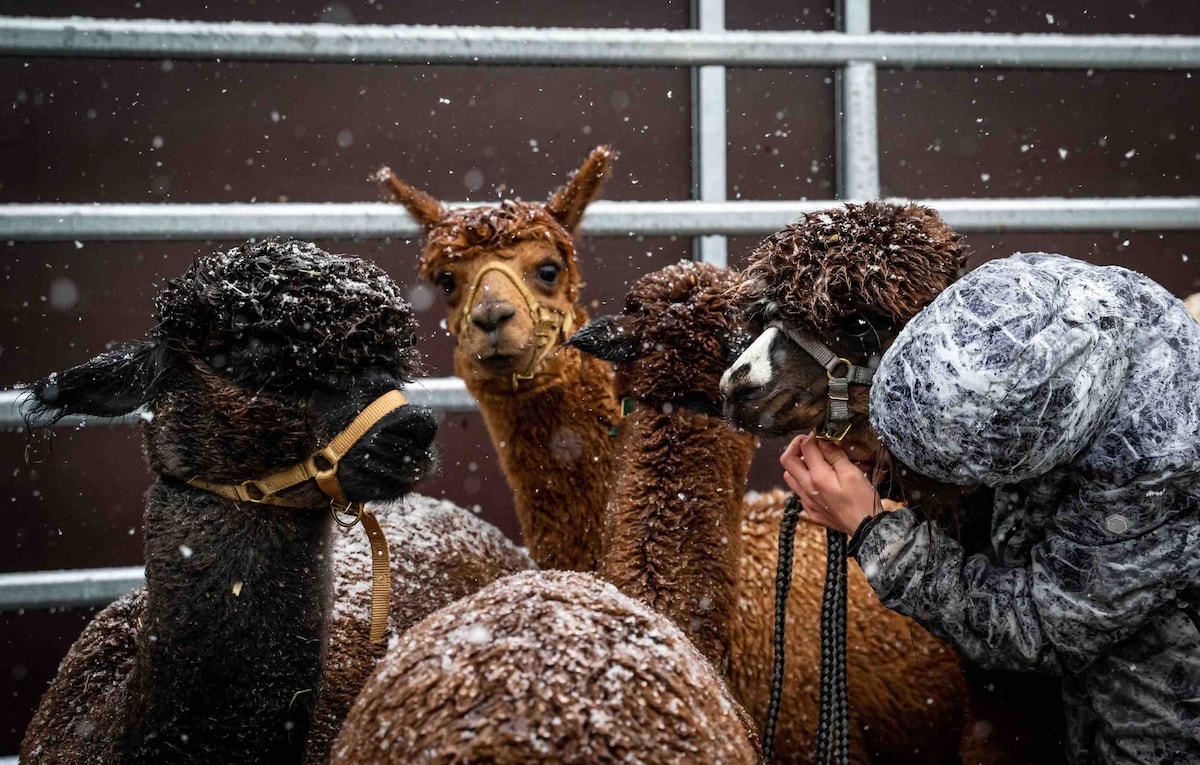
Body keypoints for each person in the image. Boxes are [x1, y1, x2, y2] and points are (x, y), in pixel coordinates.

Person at [783, 252, 1200, 764]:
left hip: (1165, 718)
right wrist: (892, 462)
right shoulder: (1025, 304)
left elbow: (1043, 627)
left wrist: (874, 529)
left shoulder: (1158, 465)